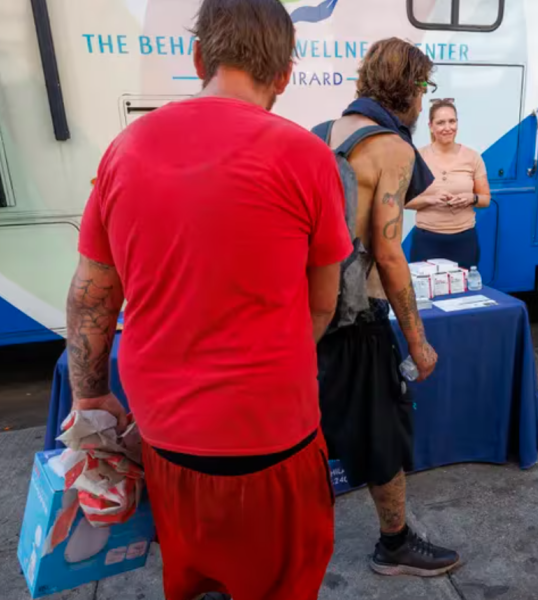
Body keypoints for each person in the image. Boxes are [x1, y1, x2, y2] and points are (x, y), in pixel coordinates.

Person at [65, 1, 352, 598]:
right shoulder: (308, 158)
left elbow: (92, 292)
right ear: (285, 75)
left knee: (189, 576)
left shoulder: (126, 150)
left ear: (198, 58)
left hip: (167, 439)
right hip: (275, 440)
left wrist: (92, 394)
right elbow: (323, 304)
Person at [316, 38, 460, 577]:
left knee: (313, 434)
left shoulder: (323, 134)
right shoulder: (392, 148)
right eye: (423, 90)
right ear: (410, 90)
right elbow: (389, 252)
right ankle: (394, 543)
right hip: (360, 318)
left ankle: (296, 544)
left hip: (313, 315)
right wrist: (418, 340)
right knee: (383, 431)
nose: (425, 104)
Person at [408, 99, 491, 268]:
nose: (447, 127)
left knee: (464, 292)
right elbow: (404, 201)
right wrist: (430, 199)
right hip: (426, 240)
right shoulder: (417, 157)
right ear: (431, 126)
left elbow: (485, 199)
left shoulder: (473, 157)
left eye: (452, 121)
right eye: (440, 123)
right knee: (427, 293)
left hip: (464, 240)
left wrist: (471, 198)